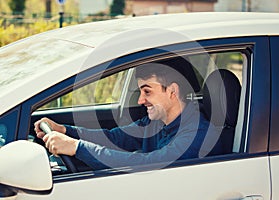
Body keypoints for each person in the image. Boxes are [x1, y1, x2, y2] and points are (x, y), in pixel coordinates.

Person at [34, 58, 220, 171]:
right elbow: (114, 137)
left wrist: (77, 147)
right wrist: (65, 130)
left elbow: (146, 164)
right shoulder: (157, 122)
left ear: (172, 91)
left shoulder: (196, 135)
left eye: (147, 92)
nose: (140, 101)